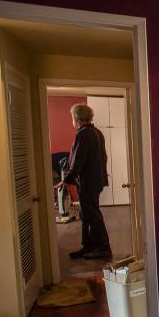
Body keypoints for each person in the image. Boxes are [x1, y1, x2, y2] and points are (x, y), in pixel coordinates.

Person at [54, 104, 111, 260]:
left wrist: (66, 180)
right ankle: (88, 246)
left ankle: (103, 248)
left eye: (72, 117)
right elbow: (103, 158)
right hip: (95, 180)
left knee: (92, 215)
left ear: (76, 118)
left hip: (88, 182)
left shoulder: (84, 134)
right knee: (86, 214)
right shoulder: (97, 133)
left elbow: (78, 160)